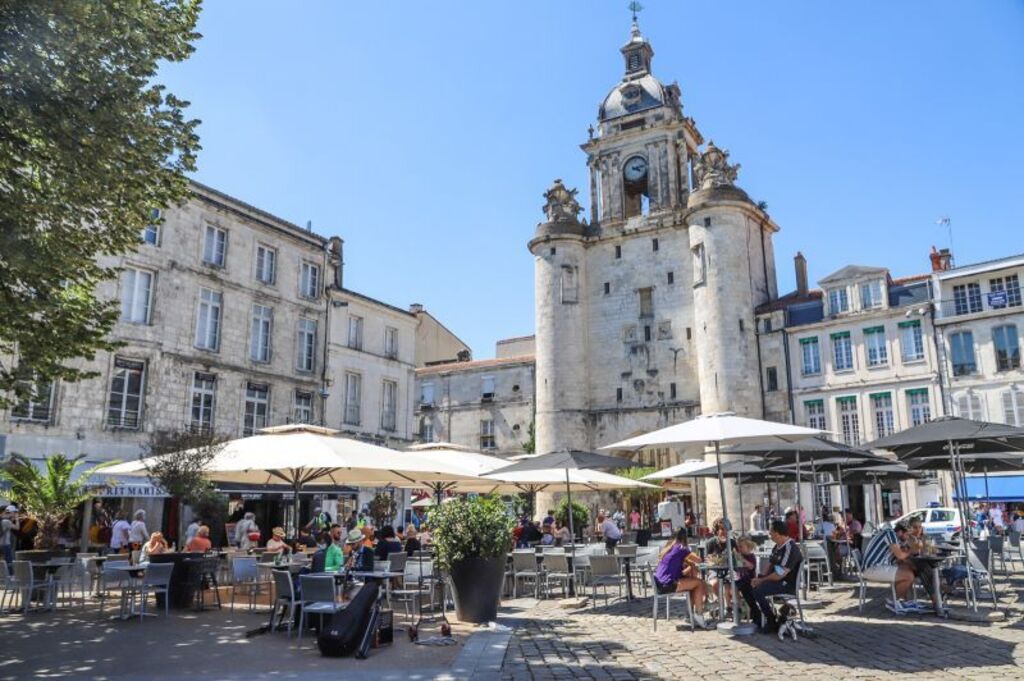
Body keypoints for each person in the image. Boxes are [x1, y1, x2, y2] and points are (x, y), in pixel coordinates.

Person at [739, 520, 803, 632]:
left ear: (777, 533)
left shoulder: (790, 548)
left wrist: (762, 580)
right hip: (775, 580)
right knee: (747, 586)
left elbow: (780, 574)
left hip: (786, 584)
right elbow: (770, 564)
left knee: (758, 591)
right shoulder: (777, 546)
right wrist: (759, 577)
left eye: (771, 532)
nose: (769, 535)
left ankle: (771, 620)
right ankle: (757, 615)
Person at [652, 528, 710, 627]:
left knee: (694, 584)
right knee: (699, 583)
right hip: (668, 584)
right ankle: (699, 616)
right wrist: (692, 562)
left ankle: (690, 615)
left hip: (661, 584)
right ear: (685, 538)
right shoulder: (681, 548)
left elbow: (680, 571)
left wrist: (690, 566)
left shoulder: (668, 548)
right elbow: (699, 560)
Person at [1, 505, 19, 571]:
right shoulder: (6, 522)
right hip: (6, 545)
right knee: (9, 564)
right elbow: (17, 527)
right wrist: (17, 519)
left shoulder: (3, 521)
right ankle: (10, 577)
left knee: (2, 563)